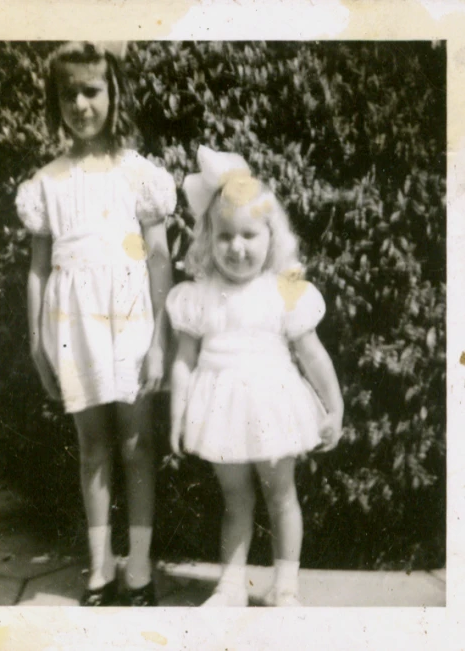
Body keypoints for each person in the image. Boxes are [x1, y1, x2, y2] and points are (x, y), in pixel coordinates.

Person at [15, 41, 175, 606]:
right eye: (69, 93)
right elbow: (38, 269)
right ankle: (100, 568)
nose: (81, 104)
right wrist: (37, 341)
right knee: (92, 448)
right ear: (55, 101)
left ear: (114, 93)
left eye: (92, 90)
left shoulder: (139, 175)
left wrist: (160, 341)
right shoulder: (48, 183)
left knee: (136, 440)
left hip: (131, 317)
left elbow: (159, 261)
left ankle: (138, 568)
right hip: (72, 323)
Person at [167, 146, 344, 607]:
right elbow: (184, 362)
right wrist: (177, 415)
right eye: (225, 236)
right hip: (220, 409)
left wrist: (335, 406)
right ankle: (231, 586)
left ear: (271, 236)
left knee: (281, 494)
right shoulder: (198, 296)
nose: (238, 247)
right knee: (235, 499)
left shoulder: (282, 292)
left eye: (249, 234)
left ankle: (285, 584)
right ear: (209, 238)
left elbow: (313, 354)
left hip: (272, 405)